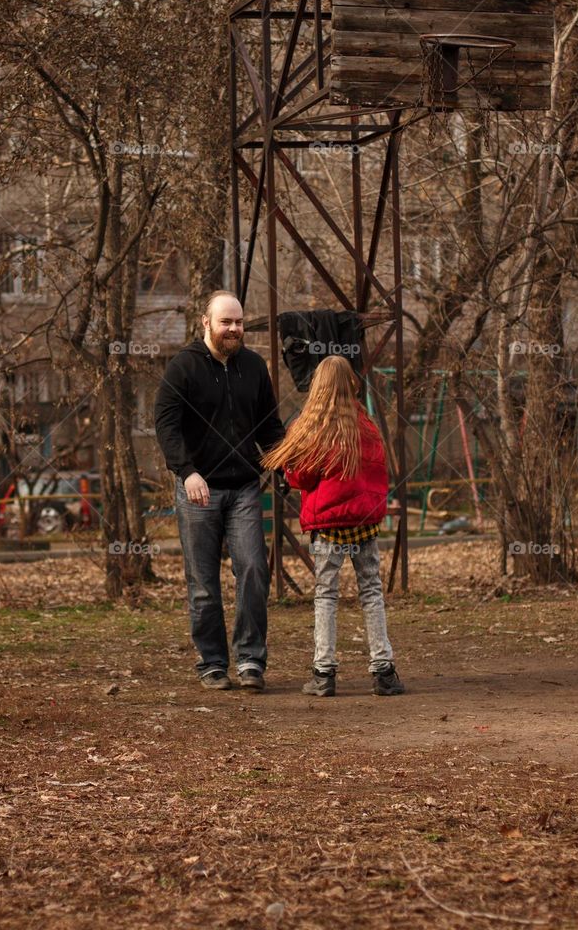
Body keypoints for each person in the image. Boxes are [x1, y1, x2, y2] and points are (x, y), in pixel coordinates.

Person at [154, 291, 285, 692]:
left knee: (253, 570)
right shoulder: (183, 367)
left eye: (239, 322)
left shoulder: (253, 367)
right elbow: (165, 425)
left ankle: (250, 661)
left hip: (245, 486)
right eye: (226, 322)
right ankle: (211, 662)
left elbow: (269, 427)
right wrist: (186, 472)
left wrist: (284, 461)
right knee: (204, 582)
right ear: (206, 323)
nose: (234, 329)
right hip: (199, 490)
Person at [261, 356, 405, 698]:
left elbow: (299, 476)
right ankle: (383, 671)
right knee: (371, 592)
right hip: (363, 525)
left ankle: (324, 673)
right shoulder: (366, 426)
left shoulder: (310, 427)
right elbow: (377, 474)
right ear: (351, 383)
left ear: (318, 385)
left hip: (326, 528)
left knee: (326, 595)